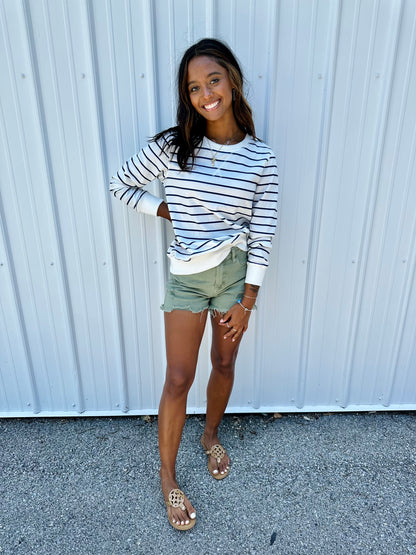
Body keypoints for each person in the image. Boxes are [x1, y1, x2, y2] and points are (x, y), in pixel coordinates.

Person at [110, 38, 278, 531]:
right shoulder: (173, 146)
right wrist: (162, 208)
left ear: (232, 80)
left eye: (213, 81)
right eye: (194, 87)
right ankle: (167, 475)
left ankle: (210, 436)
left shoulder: (261, 158)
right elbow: (121, 184)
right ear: (187, 96)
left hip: (234, 277)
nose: (206, 94)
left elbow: (263, 232)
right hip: (186, 278)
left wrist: (249, 300)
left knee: (224, 361)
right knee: (179, 378)